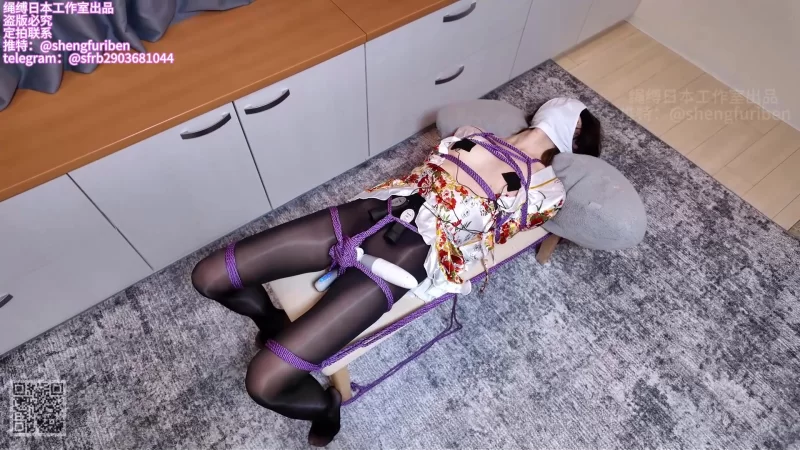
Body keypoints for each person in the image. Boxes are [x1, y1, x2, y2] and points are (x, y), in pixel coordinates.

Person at [191, 97, 602, 446]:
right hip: (374, 210)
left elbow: (500, 228)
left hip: (412, 254)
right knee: (208, 277)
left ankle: (327, 407)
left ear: (577, 137)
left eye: (577, 113)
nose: (564, 105)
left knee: (263, 382)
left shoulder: (547, 189)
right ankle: (270, 319)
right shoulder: (474, 132)